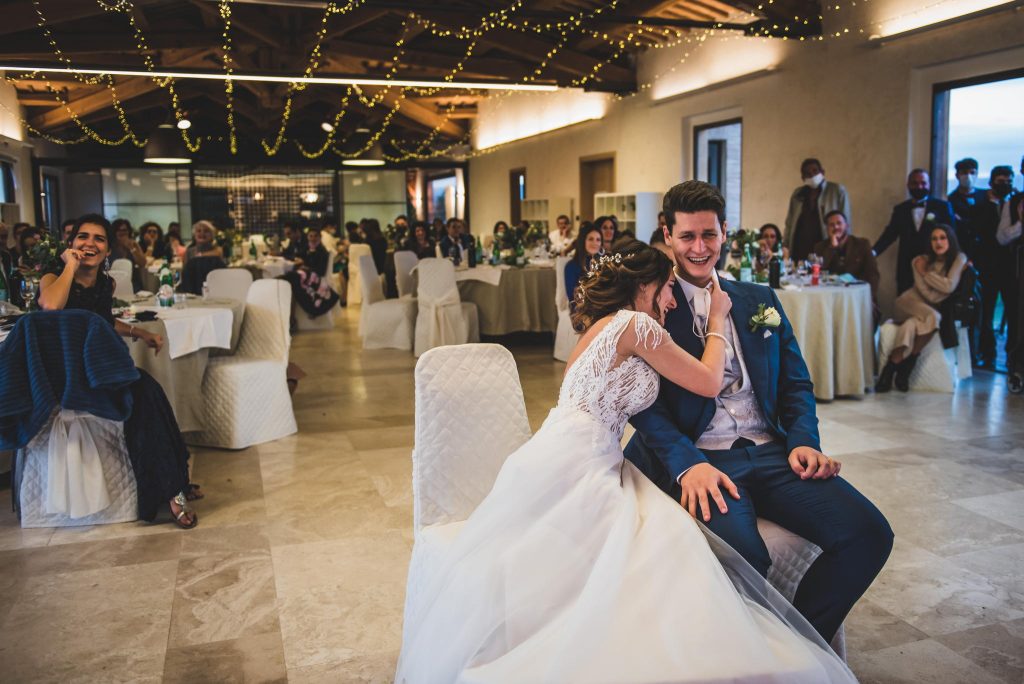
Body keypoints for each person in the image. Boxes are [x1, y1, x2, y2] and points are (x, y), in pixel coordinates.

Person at [397, 236, 857, 682]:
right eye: (668, 290)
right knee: (649, 546)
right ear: (645, 286)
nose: (673, 301)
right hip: (582, 458)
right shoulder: (637, 326)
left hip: (565, 447)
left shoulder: (604, 326)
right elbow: (709, 380)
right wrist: (718, 318)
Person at [626, 180, 892, 646]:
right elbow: (641, 403)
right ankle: (751, 656)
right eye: (687, 236)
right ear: (667, 236)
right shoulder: (650, 307)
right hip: (704, 457)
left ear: (725, 232)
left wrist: (805, 440)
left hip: (774, 451)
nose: (699, 247)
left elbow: (796, 382)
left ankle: (797, 646)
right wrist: (687, 465)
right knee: (742, 555)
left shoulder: (760, 301)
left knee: (869, 533)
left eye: (709, 234)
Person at [37, 214, 200, 528]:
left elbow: (104, 320)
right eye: (82, 237)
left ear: (108, 250)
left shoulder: (104, 283)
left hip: (98, 368)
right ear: (70, 244)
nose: (90, 244)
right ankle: (171, 491)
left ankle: (175, 482)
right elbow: (50, 308)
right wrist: (69, 266)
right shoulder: (52, 277)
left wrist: (143, 334)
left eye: (99, 239)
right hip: (67, 376)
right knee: (145, 394)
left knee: (151, 393)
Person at [876, 224, 968, 392]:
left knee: (911, 325)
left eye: (943, 238)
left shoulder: (959, 259)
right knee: (935, 317)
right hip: (908, 303)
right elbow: (930, 295)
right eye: (934, 239)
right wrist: (939, 284)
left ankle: (894, 366)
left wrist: (926, 274)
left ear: (950, 239)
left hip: (925, 311)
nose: (938, 242)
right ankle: (906, 366)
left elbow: (949, 287)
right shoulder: (919, 261)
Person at [873, 168, 956, 295]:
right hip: (906, 267)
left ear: (929, 185)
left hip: (933, 265)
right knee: (905, 303)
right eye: (915, 183)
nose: (919, 186)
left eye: (923, 183)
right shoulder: (900, 209)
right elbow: (890, 234)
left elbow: (951, 235)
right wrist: (873, 252)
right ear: (908, 185)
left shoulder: (942, 207)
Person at [974, 165, 1018, 368]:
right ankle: (987, 352)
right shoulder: (981, 204)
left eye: (1009, 181)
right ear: (992, 182)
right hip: (988, 265)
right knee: (987, 311)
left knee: (1014, 310)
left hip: (1011, 267)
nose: (1006, 185)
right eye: (1001, 181)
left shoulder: (1015, 203)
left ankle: (1012, 353)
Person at [783, 158, 852, 263]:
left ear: (822, 172)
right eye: (807, 173)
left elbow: (845, 221)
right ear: (803, 177)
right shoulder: (798, 194)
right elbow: (790, 222)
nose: (812, 175)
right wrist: (786, 245)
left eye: (815, 171)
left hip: (825, 245)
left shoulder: (837, 190)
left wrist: (843, 246)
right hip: (800, 246)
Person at [813, 210, 880, 305]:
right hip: (829, 298)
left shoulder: (862, 244)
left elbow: (873, 275)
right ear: (827, 229)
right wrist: (832, 248)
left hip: (858, 297)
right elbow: (819, 271)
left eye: (839, 223)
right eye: (831, 225)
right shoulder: (820, 247)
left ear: (846, 226)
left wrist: (869, 298)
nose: (836, 227)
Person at [948, 157, 987, 257]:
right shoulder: (950, 200)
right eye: (964, 173)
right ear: (957, 175)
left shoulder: (985, 196)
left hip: (985, 249)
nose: (968, 176)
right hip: (961, 248)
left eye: (972, 172)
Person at [564, 222, 602, 314]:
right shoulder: (571, 266)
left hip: (604, 310)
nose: (595, 243)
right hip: (582, 312)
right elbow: (573, 299)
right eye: (591, 239)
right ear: (583, 241)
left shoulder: (604, 263)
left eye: (598, 240)